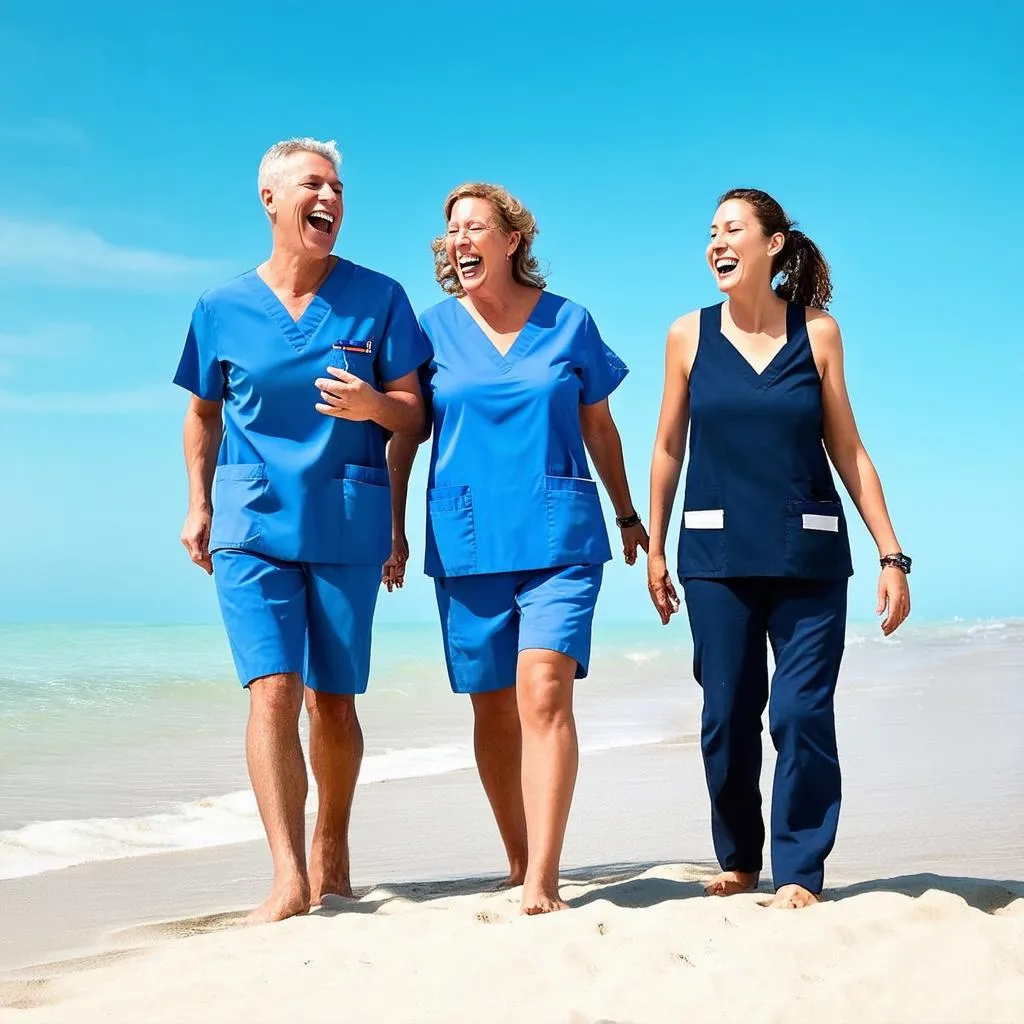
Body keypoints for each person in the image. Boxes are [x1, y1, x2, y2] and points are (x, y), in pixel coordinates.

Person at [174, 138, 428, 924]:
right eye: (314, 184)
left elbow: (413, 415)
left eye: (339, 187)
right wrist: (198, 503)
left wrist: (373, 409)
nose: (331, 197)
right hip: (250, 522)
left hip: (348, 520)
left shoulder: (379, 297)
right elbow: (202, 414)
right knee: (273, 689)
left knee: (335, 701)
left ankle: (332, 849)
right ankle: (287, 873)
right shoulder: (219, 307)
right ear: (271, 200)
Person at [387, 183, 648, 914]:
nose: (459, 241)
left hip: (560, 537)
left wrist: (627, 514)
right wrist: (395, 527)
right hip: (465, 538)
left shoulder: (570, 323)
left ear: (511, 240)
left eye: (474, 228)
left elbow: (599, 426)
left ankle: (544, 877)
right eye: (450, 233)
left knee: (543, 694)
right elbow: (404, 433)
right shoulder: (428, 331)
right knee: (493, 710)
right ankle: (516, 854)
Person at [647, 188, 911, 909]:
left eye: (733, 229)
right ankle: (738, 859)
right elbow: (669, 445)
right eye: (710, 233)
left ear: (773, 244)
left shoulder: (818, 333)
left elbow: (848, 449)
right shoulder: (687, 335)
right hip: (715, 557)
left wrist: (892, 555)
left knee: (800, 713)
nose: (717, 244)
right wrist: (657, 546)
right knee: (727, 714)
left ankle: (799, 871)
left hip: (810, 557)